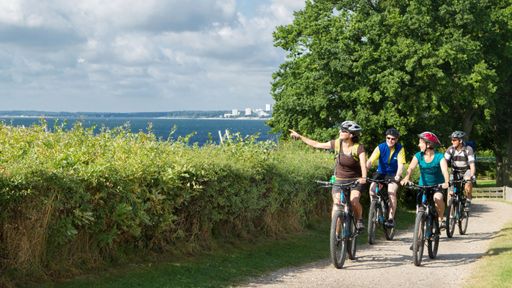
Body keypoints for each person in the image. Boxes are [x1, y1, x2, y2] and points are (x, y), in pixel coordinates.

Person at [290, 121, 367, 230]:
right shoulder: (337, 143)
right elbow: (316, 144)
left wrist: (363, 178)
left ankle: (359, 219)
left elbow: (363, 165)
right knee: (337, 205)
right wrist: (300, 137)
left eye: (344, 131)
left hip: (355, 180)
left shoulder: (358, 148)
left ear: (351, 135)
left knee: (354, 201)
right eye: (341, 129)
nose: (340, 132)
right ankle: (335, 235)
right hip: (339, 179)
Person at [401, 132, 449, 227]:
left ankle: (440, 219)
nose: (418, 145)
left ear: (429, 144)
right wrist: (406, 177)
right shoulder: (418, 155)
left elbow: (445, 171)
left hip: (437, 186)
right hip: (422, 186)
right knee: (419, 210)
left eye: (421, 143)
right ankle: (418, 239)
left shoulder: (440, 157)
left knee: (438, 198)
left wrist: (446, 182)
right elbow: (410, 167)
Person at [366, 128, 405, 228]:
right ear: (385, 137)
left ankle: (391, 218)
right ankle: (374, 210)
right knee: (372, 190)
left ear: (396, 140)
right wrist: (364, 170)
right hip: (381, 173)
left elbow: (401, 165)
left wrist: (398, 175)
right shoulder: (380, 147)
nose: (390, 141)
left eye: (393, 139)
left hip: (393, 174)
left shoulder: (400, 149)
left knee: (391, 192)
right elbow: (370, 160)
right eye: (388, 138)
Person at [444, 131, 476, 210]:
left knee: (468, 182)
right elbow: (444, 162)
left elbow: (472, 165)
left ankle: (468, 199)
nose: (452, 142)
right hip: (455, 171)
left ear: (460, 141)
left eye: (454, 140)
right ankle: (451, 212)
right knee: (450, 190)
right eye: (452, 140)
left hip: (466, 170)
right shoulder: (450, 149)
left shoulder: (468, 149)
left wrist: (472, 176)